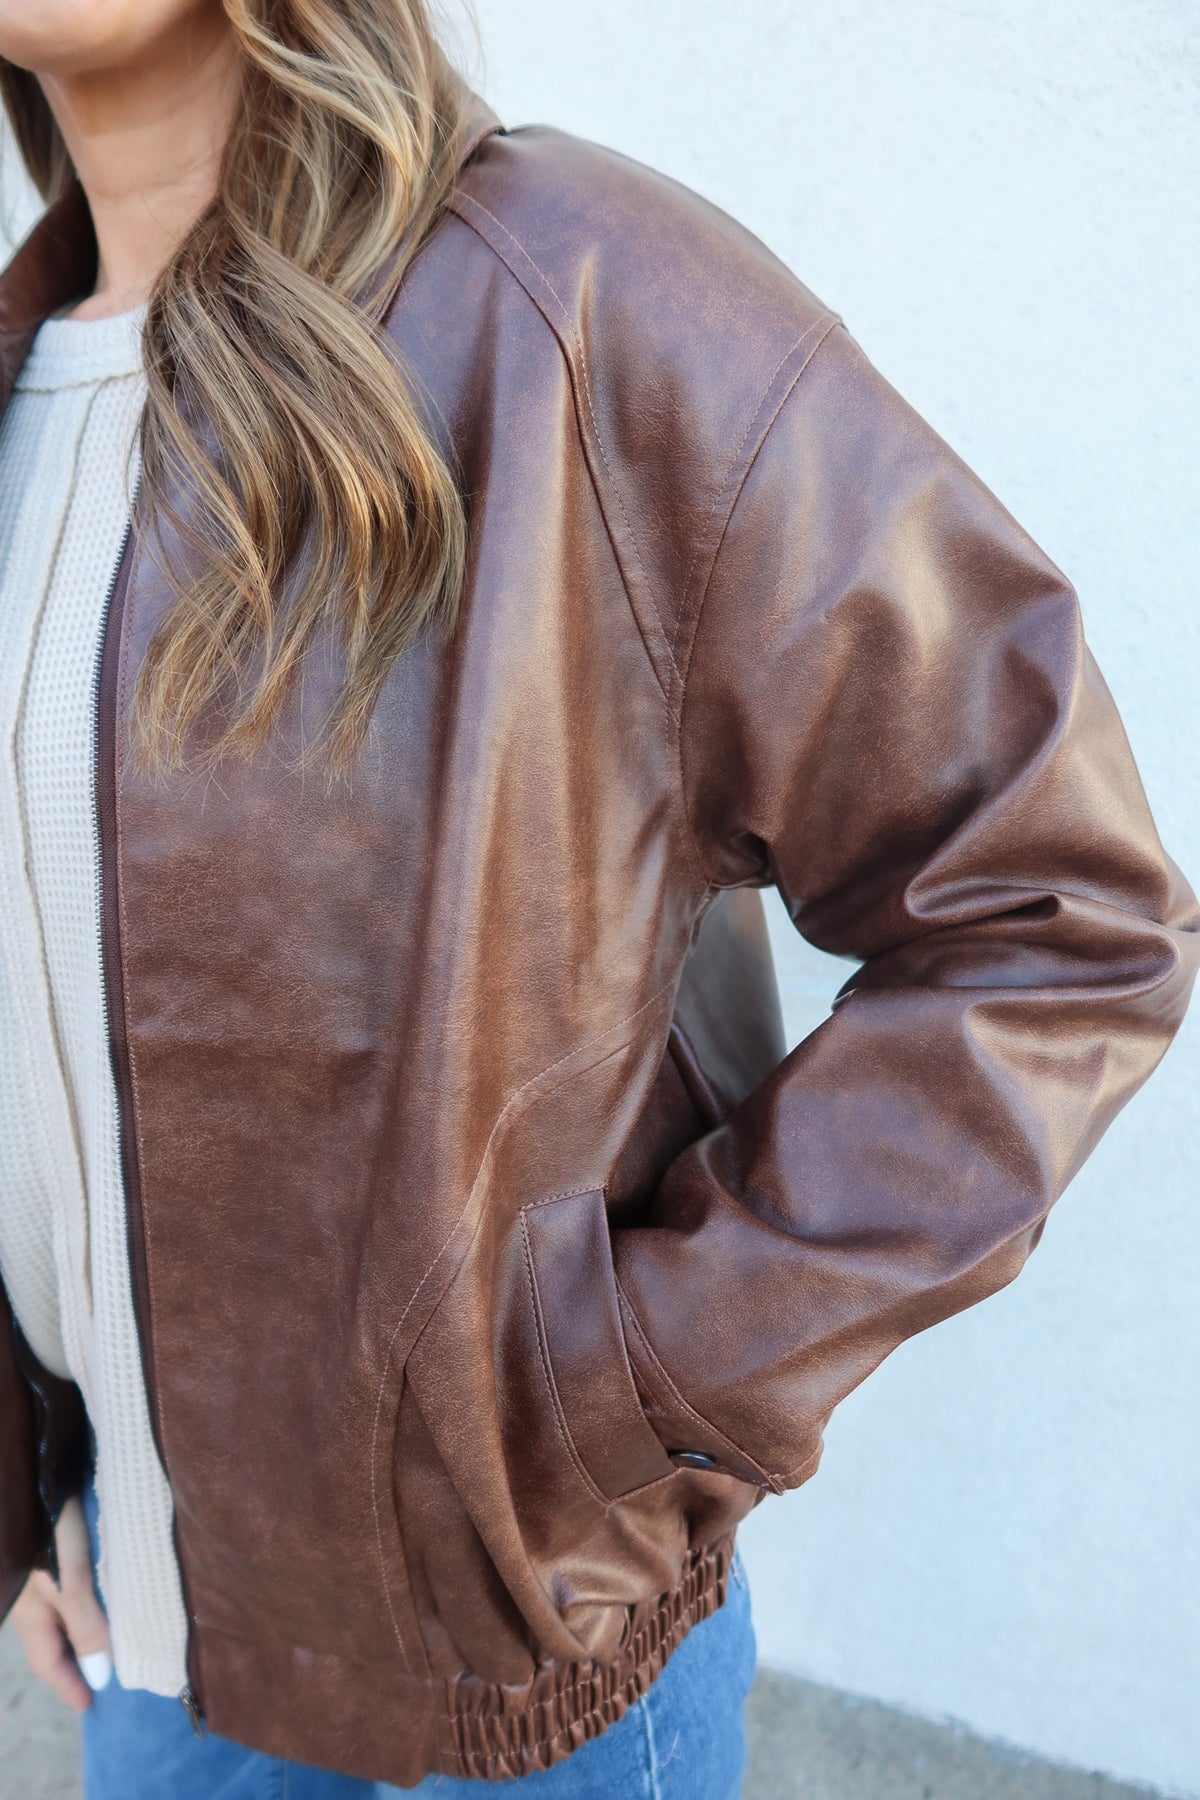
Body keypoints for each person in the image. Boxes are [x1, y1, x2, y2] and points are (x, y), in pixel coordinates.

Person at [0, 2, 1195, 1796]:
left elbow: (1054, 909)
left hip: (524, 1680)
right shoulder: (18, 392)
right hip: (153, 1654)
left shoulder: (574, 300)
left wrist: (617, 1406)